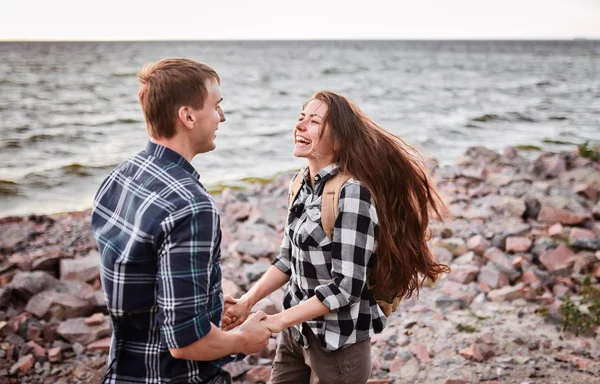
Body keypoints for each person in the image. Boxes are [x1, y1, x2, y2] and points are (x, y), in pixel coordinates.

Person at [222, 90, 450, 383]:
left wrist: (276, 321)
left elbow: (347, 287)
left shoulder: (353, 193)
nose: (300, 125)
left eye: (314, 122)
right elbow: (286, 260)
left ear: (339, 140)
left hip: (338, 346)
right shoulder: (299, 184)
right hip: (297, 336)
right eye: (301, 118)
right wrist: (246, 302)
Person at [91, 58, 271, 384]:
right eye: (216, 107)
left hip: (124, 371)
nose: (223, 117)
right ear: (187, 116)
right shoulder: (191, 206)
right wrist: (246, 340)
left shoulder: (121, 176)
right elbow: (186, 343)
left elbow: (140, 279)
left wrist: (208, 304)